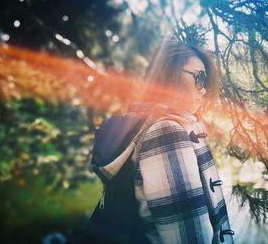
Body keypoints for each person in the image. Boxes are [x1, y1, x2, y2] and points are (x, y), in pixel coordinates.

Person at [88, 39, 234, 244]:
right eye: (199, 78)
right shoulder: (168, 132)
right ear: (169, 76)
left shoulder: (147, 124)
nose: (203, 90)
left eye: (205, 82)